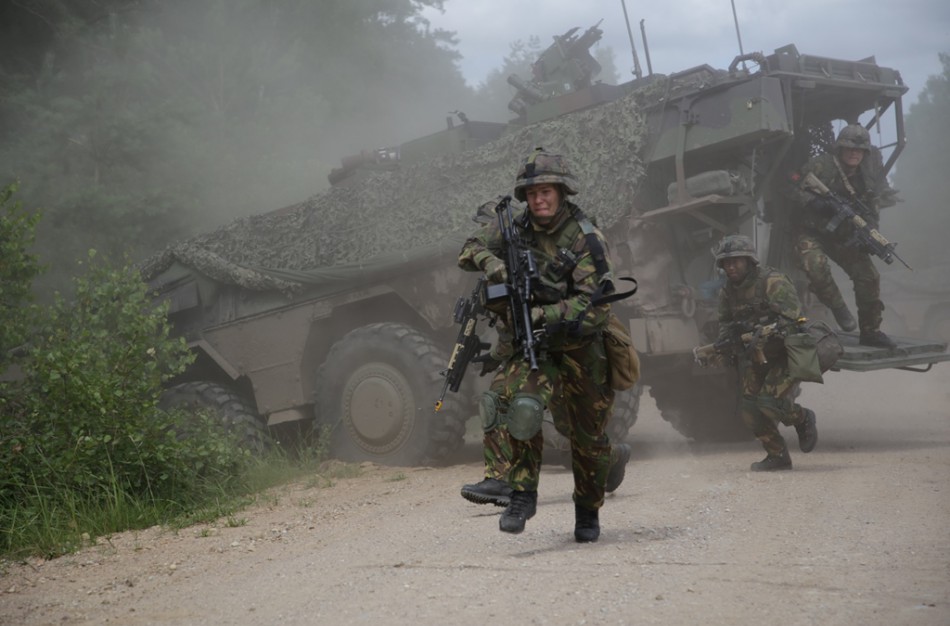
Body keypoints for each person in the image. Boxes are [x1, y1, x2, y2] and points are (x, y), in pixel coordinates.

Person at [456, 148, 628, 542]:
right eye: (532, 194)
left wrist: (542, 314)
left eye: (546, 192)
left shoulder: (586, 238)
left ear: (562, 192)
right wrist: (493, 264)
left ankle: (587, 511)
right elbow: (468, 249)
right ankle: (522, 496)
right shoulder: (515, 227)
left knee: (587, 439)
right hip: (536, 346)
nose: (539, 200)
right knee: (519, 408)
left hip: (582, 347)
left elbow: (594, 306)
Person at [712, 234, 818, 471]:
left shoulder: (772, 281)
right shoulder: (728, 291)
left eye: (736, 261)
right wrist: (724, 344)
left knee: (769, 402)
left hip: (784, 354)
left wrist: (764, 330)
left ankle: (803, 418)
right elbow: (725, 322)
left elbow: (793, 319)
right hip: (757, 355)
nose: (730, 267)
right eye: (726, 263)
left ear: (749, 261)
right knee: (749, 408)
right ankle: (777, 455)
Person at [793, 124, 900, 348]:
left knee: (869, 276)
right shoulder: (821, 165)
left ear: (865, 153)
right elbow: (793, 188)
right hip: (813, 232)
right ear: (840, 149)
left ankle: (871, 331)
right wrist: (814, 202)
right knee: (815, 265)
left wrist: (869, 237)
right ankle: (838, 307)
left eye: (859, 150)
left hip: (845, 236)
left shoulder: (868, 177)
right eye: (850, 148)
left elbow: (872, 211)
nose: (854, 153)